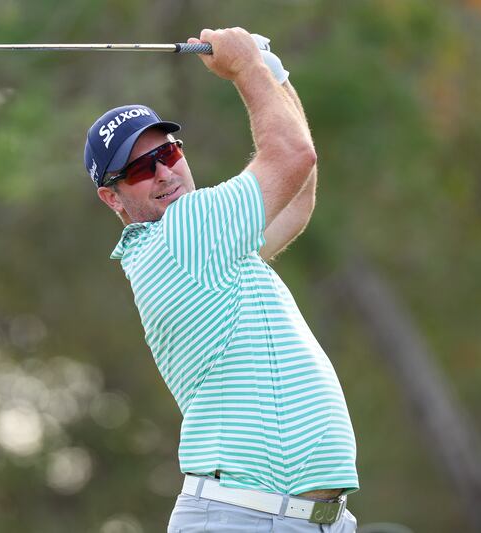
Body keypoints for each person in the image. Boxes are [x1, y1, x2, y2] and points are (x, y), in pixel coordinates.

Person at [83, 28, 358, 532]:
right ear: (112, 198)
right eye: (141, 168)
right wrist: (245, 69)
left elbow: (298, 198)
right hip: (246, 517)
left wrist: (273, 75)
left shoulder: (208, 248)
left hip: (298, 520)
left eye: (168, 153)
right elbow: (293, 156)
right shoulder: (184, 234)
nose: (164, 172)